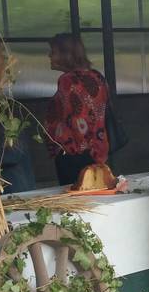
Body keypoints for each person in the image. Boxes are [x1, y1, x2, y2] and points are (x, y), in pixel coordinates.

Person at [45, 33, 111, 186]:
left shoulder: (67, 81)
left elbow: (73, 118)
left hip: (73, 154)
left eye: (53, 52)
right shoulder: (97, 76)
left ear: (66, 54)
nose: (49, 56)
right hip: (98, 151)